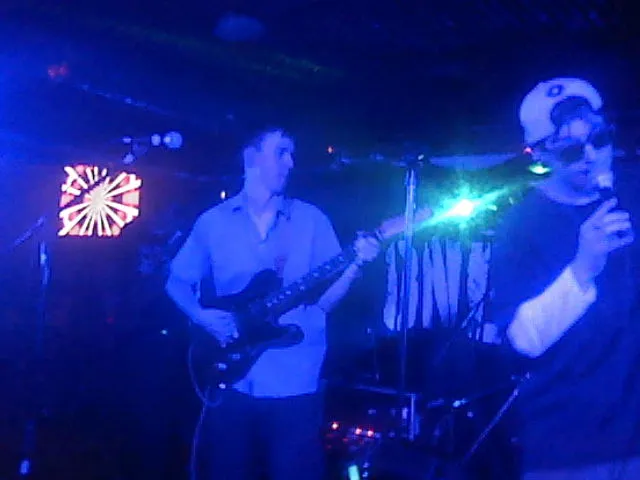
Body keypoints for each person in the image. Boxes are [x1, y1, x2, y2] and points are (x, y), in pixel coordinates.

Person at [165, 127, 381, 480]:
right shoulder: (213, 222)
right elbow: (176, 281)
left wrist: (356, 264)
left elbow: (325, 304)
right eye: (281, 152)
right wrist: (200, 316)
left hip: (294, 381)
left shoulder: (311, 220)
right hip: (229, 378)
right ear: (251, 157)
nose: (290, 163)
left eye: (292, 154)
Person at [491, 77, 640, 479]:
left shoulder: (634, 192)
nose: (591, 157)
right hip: (571, 449)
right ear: (541, 154)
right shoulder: (522, 224)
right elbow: (523, 341)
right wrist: (583, 266)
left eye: (600, 141)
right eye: (572, 150)